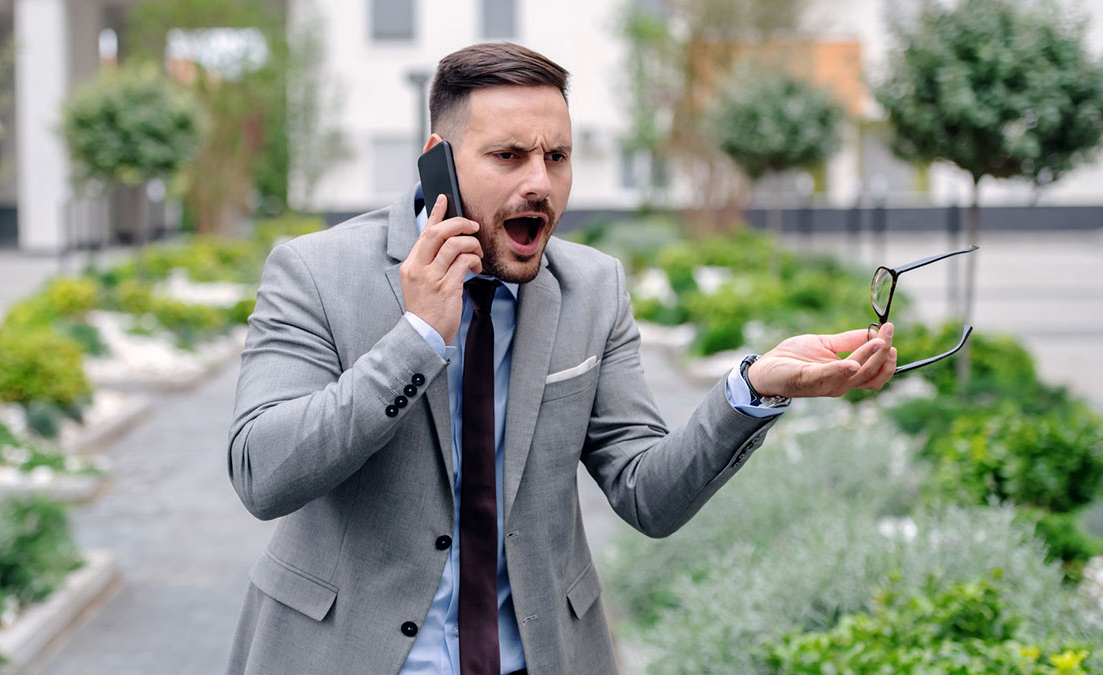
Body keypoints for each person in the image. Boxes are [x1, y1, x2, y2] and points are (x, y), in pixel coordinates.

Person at [225, 42, 897, 675]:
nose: (539, 182)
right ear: (439, 160)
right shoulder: (313, 271)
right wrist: (417, 336)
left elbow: (647, 494)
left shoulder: (593, 289)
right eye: (509, 155)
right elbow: (264, 472)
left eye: (557, 156)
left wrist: (751, 388)